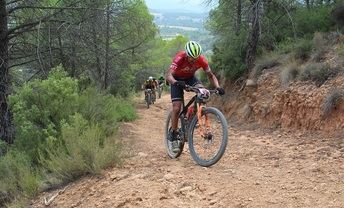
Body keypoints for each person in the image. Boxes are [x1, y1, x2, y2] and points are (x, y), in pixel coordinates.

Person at [166, 41, 225, 153]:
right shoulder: (180, 57)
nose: (193, 60)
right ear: (187, 54)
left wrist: (218, 87)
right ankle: (173, 134)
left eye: (196, 58)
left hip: (190, 78)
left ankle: (192, 116)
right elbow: (168, 75)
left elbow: (211, 76)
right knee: (177, 108)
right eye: (191, 58)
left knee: (203, 93)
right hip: (176, 79)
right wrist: (176, 82)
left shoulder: (201, 60)